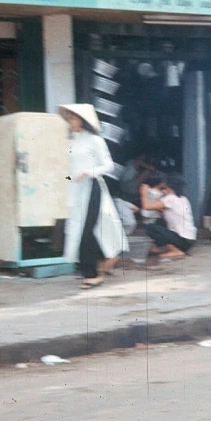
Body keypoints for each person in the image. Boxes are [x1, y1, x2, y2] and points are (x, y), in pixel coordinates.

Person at [59, 104, 128, 290]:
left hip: (93, 187)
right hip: (76, 190)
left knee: (87, 229)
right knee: (79, 228)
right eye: (69, 118)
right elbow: (70, 171)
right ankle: (101, 263)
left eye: (73, 118)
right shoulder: (71, 142)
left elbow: (109, 166)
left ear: (82, 120)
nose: (70, 121)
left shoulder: (95, 140)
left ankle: (93, 274)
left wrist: (89, 172)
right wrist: (67, 179)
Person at [140, 172, 197, 260]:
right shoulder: (183, 198)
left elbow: (146, 206)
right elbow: (162, 210)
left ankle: (176, 251)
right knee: (159, 222)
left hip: (183, 240)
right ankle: (155, 247)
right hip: (190, 240)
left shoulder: (170, 199)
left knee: (150, 228)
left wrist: (143, 193)